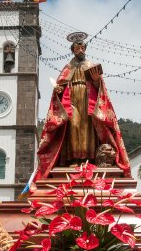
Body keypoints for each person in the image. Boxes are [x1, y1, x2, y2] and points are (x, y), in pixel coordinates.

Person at [36, 32, 130, 180]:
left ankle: (90, 159)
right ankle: (74, 159)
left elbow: (100, 88)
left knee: (88, 129)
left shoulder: (91, 66)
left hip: (89, 101)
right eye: (77, 48)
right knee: (74, 127)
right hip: (71, 102)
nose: (80, 50)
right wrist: (59, 90)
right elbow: (59, 88)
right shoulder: (68, 67)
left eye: (82, 47)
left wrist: (95, 80)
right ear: (72, 50)